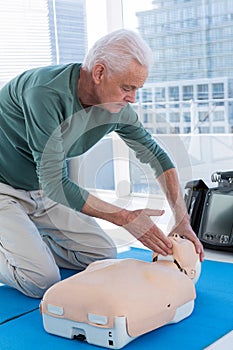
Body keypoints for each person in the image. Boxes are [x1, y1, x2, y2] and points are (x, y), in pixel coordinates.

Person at [0, 29, 204, 298]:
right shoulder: (44, 93)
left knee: (101, 255)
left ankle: (27, 242)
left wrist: (182, 218)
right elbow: (54, 181)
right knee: (40, 281)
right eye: (127, 87)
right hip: (5, 189)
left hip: (43, 192)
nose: (132, 98)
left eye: (136, 89)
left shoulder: (117, 108)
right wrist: (124, 218)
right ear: (99, 73)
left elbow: (157, 156)